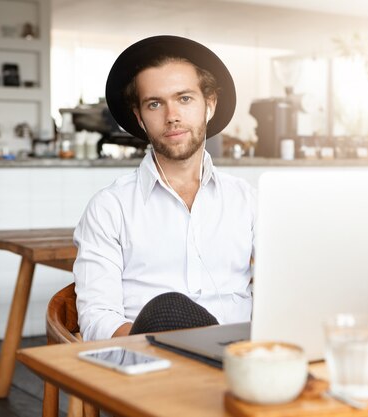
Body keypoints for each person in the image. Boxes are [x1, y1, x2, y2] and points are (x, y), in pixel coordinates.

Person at [73, 36, 256, 341]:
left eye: (184, 98)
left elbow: (284, 286)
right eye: (155, 104)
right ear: (139, 118)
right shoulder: (109, 207)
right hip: (151, 362)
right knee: (168, 308)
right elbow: (96, 319)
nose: (171, 116)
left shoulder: (247, 200)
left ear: (209, 105)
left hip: (239, 361)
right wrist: (166, 342)